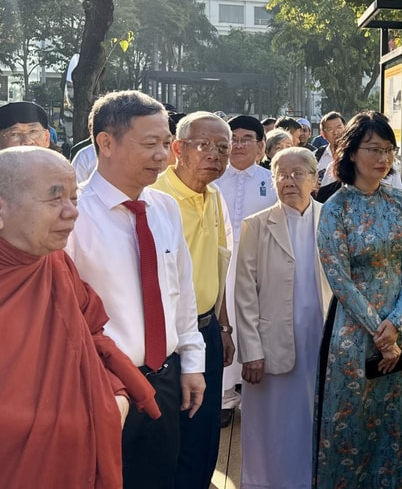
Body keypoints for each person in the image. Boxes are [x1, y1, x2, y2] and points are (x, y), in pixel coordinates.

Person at [65, 90, 206, 489]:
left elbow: (180, 290)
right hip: (103, 385)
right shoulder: (72, 217)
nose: (163, 155)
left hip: (163, 379)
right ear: (105, 143)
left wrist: (192, 361)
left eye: (165, 143)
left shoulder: (164, 207)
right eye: (150, 144)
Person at [0, 147, 161, 488]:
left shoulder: (54, 263)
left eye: (74, 197)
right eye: (54, 198)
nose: (72, 212)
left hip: (76, 453)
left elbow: (91, 336)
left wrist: (114, 395)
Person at [314, 110, 402, 489]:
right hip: (355, 333)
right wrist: (380, 330)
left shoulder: (401, 202)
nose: (383, 159)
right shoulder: (335, 208)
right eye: (373, 149)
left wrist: (397, 322)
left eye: (389, 150)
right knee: (351, 425)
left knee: (399, 421)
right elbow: (338, 278)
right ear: (350, 153)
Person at [235, 147, 332, 489]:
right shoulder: (257, 226)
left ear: (315, 180)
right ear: (272, 179)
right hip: (271, 342)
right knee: (272, 422)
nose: (289, 181)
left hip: (323, 338)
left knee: (317, 416)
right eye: (281, 174)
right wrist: (251, 350)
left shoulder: (332, 221)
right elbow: (244, 292)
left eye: (297, 174)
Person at [152, 111, 235, 489]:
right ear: (178, 149)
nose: (214, 154)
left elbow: (218, 262)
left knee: (204, 438)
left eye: (223, 147)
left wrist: (223, 326)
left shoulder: (215, 195)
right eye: (203, 145)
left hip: (207, 333)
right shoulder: (156, 197)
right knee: (171, 439)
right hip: (168, 340)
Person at [217, 115, 277, 426]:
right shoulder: (212, 180)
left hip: (261, 265)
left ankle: (257, 394)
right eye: (234, 138)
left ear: (260, 146)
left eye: (246, 139)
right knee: (225, 325)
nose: (239, 144)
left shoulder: (272, 180)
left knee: (255, 324)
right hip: (221, 265)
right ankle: (225, 396)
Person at [314, 111, 346, 186]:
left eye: (339, 127)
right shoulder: (315, 156)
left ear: (346, 128)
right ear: (323, 134)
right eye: (330, 129)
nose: (335, 132)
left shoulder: (357, 155)